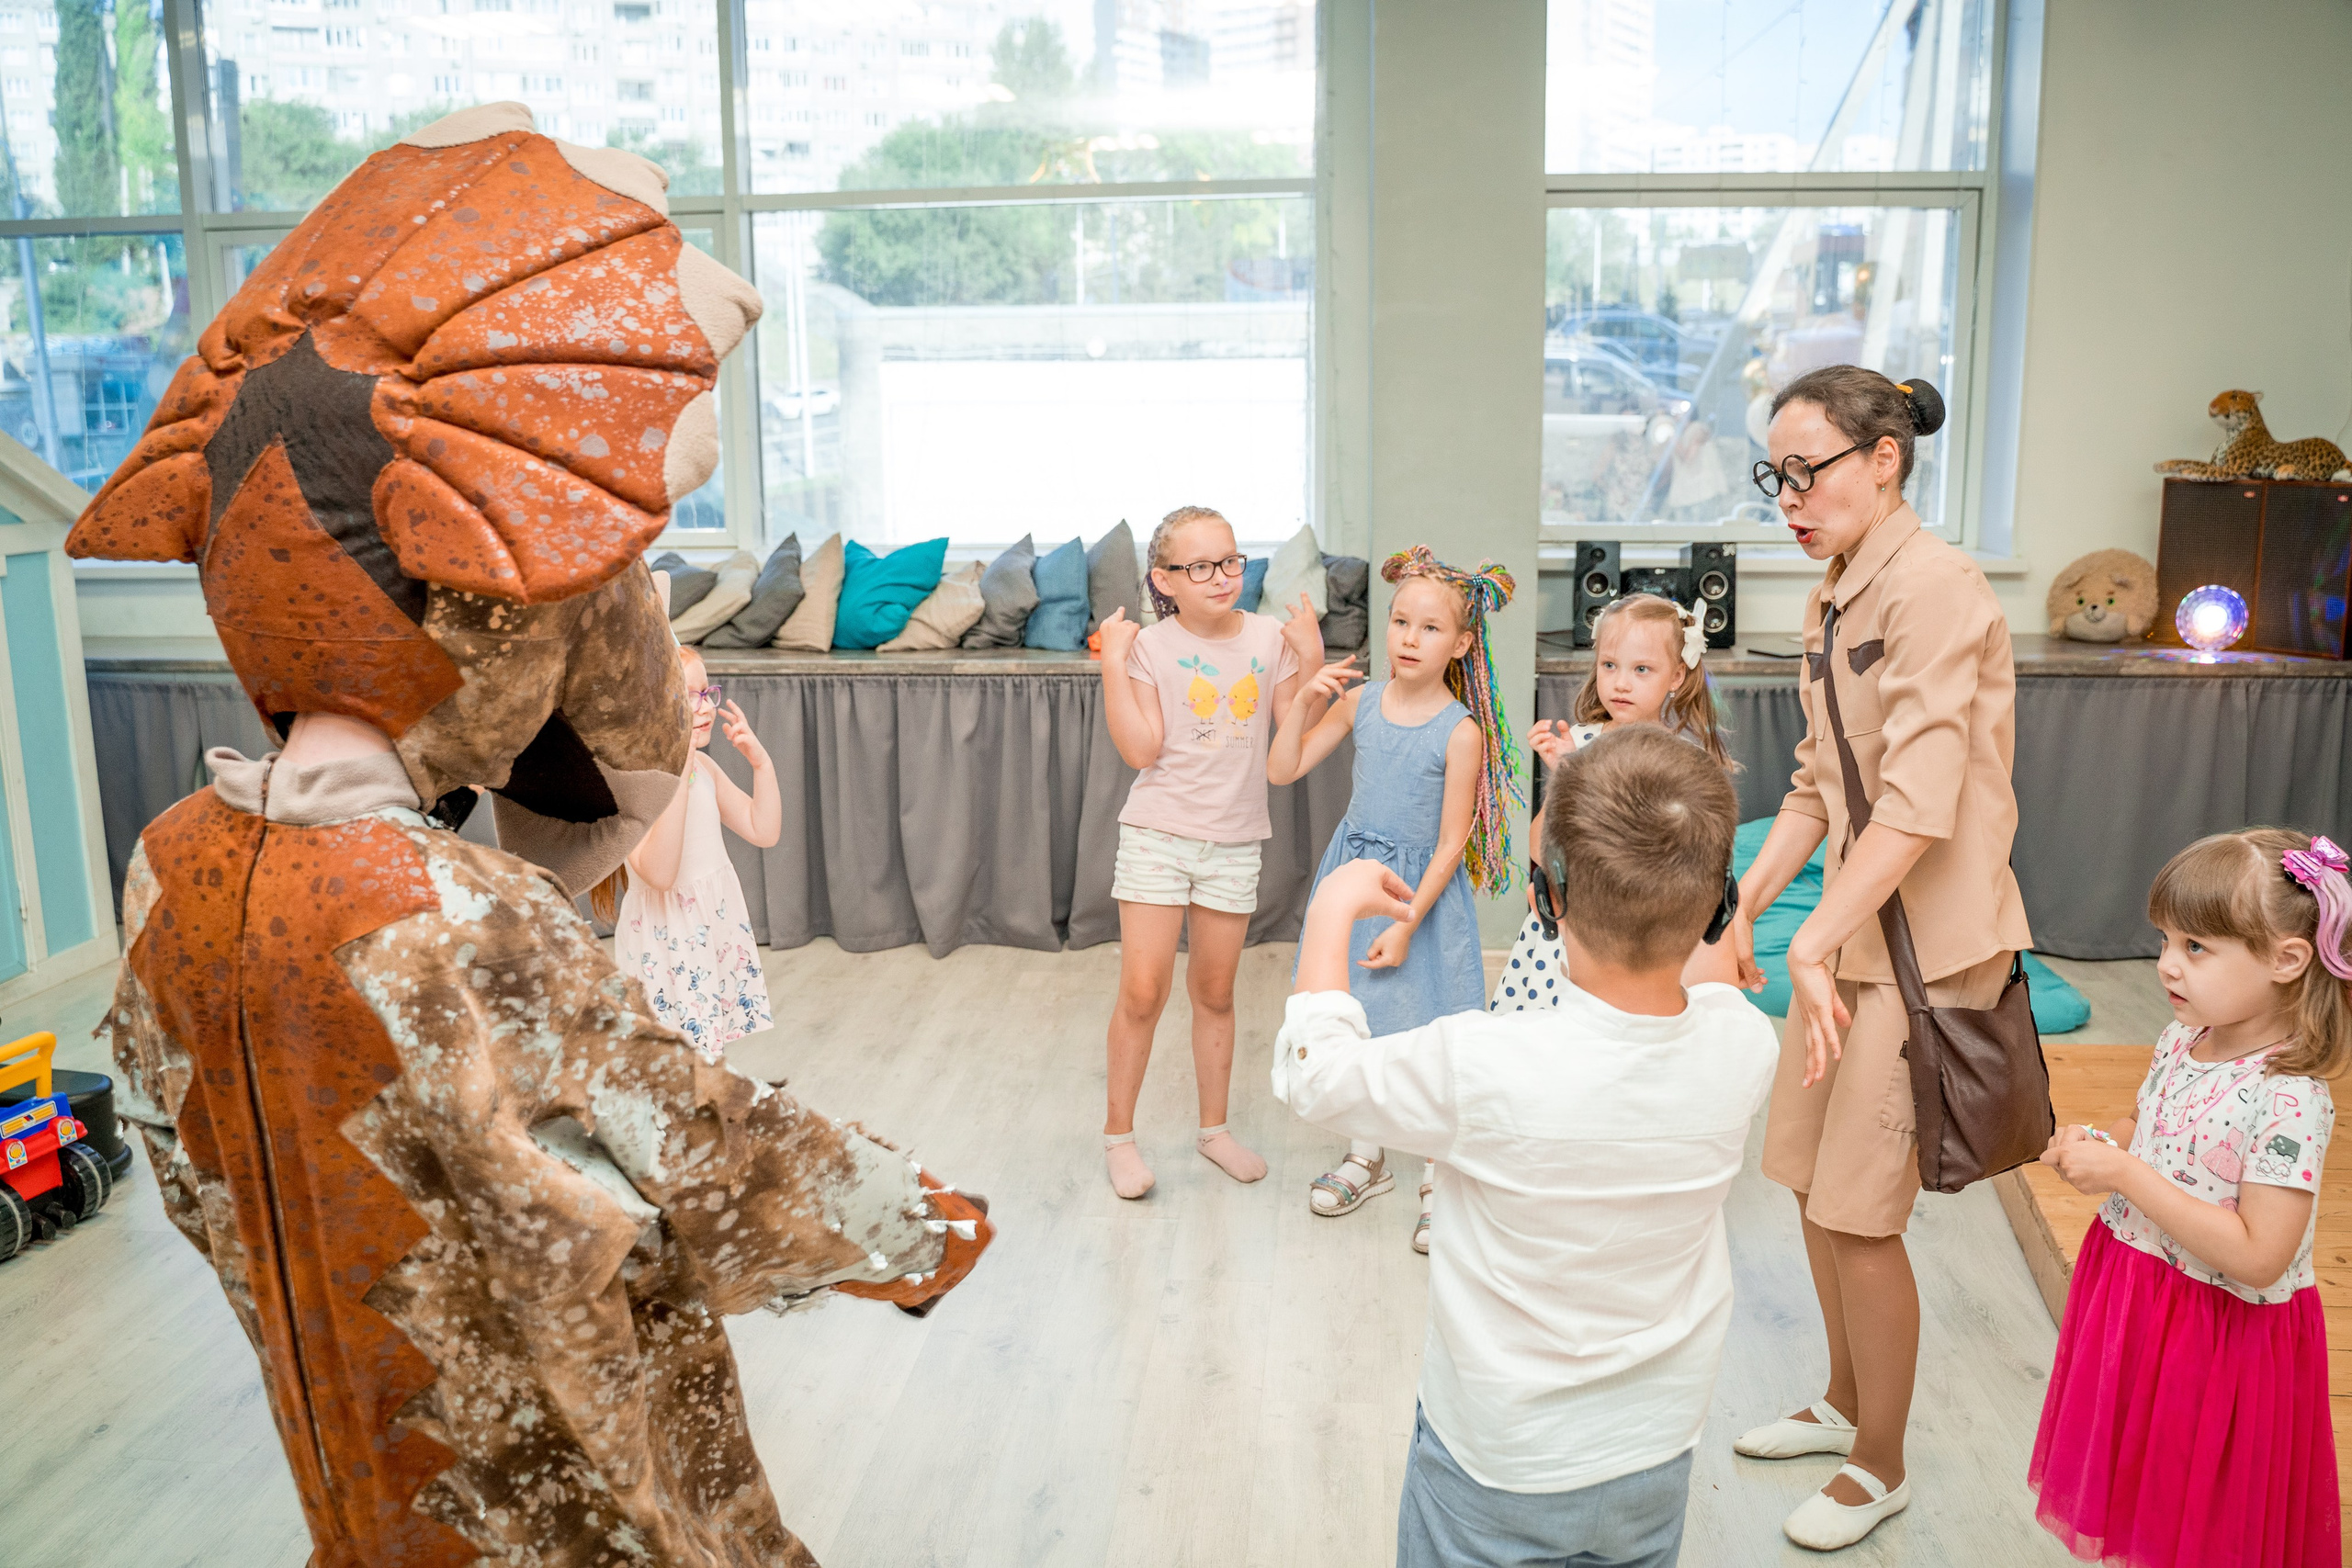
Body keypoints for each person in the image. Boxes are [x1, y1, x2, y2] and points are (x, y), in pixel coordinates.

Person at [68, 101, 991, 1567]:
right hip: (532, 1473)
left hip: (345, 1444)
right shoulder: (450, 911)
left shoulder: (171, 864)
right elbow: (692, 1145)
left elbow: (184, 1166)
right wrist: (907, 1223)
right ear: (484, 609)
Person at [1273, 725, 1778, 1568]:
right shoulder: (1743, 1045)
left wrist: (1330, 906)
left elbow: (1318, 1076)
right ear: (1722, 903)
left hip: (1494, 1465)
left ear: (1543, 902)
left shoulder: (1480, 1063)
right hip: (1655, 1451)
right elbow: (1713, 974)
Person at [1724, 368, 2031, 1551]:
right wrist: (1745, 903)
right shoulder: (1833, 592)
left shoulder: (1940, 587)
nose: (1788, 500)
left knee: (1861, 1213)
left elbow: (1916, 804)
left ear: (1884, 459)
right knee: (1807, 1182)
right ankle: (1845, 1397)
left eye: (1808, 472)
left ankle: (1881, 1462)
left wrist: (1808, 933)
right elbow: (1818, 782)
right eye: (1777, 478)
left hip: (1925, 953)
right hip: (1850, 937)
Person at [2030, 829, 2346, 1568]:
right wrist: (2103, 1144)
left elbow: (2261, 1255)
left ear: (2286, 959)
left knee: (2202, 1511)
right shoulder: (2184, 1037)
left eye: (2196, 946)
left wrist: (2129, 1177)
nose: (2168, 962)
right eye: (2166, 938)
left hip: (2218, 1330)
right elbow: (2147, 1121)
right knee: (2145, 1481)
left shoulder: (2290, 1097)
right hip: (2141, 1295)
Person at [1267, 546, 1522, 1252]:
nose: (1409, 637)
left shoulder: (1461, 731)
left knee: (1429, 1029)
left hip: (1419, 899)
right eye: (1400, 621)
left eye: (1430, 628)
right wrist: (1308, 700)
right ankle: (1366, 1155)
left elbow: (1451, 842)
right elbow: (1281, 767)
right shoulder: (1360, 703)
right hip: (1352, 885)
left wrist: (1409, 923)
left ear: (1464, 643)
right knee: (1359, 1018)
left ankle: (1440, 1175)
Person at [1093, 503, 1317, 1198]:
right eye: (1200, 566)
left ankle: (1213, 1130)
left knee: (1216, 991)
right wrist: (1111, 660)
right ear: (1165, 579)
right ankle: (1119, 1138)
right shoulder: (1150, 648)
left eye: (1230, 561)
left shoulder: (1270, 637)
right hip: (1159, 833)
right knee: (1143, 990)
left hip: (1234, 839)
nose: (1221, 577)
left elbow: (1291, 745)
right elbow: (1141, 749)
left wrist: (1310, 658)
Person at [1498, 592, 1740, 1014]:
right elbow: (1540, 849)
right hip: (1569, 934)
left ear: (1677, 676)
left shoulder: (1681, 765)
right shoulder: (1578, 743)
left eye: (1642, 669)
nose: (1621, 683)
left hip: (1640, 933)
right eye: (1609, 665)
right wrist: (1563, 778)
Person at [598, 643, 781, 1061]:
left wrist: (762, 766)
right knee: (668, 1058)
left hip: (709, 927)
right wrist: (677, 766)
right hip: (667, 940)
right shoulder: (633, 781)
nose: (706, 708)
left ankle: (709, 1115)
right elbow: (660, 875)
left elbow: (763, 829)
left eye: (706, 693)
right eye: (689, 696)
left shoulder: (704, 769)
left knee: (707, 1055)